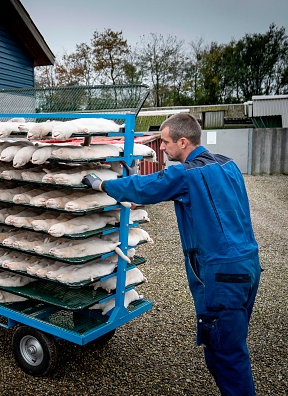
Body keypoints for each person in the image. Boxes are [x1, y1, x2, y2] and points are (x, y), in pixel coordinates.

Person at [83, 113, 261, 396]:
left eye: (165, 142)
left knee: (227, 356)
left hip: (222, 274)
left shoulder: (187, 174)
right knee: (228, 345)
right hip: (249, 266)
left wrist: (102, 184)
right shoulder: (229, 165)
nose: (162, 148)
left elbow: (145, 188)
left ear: (183, 141)